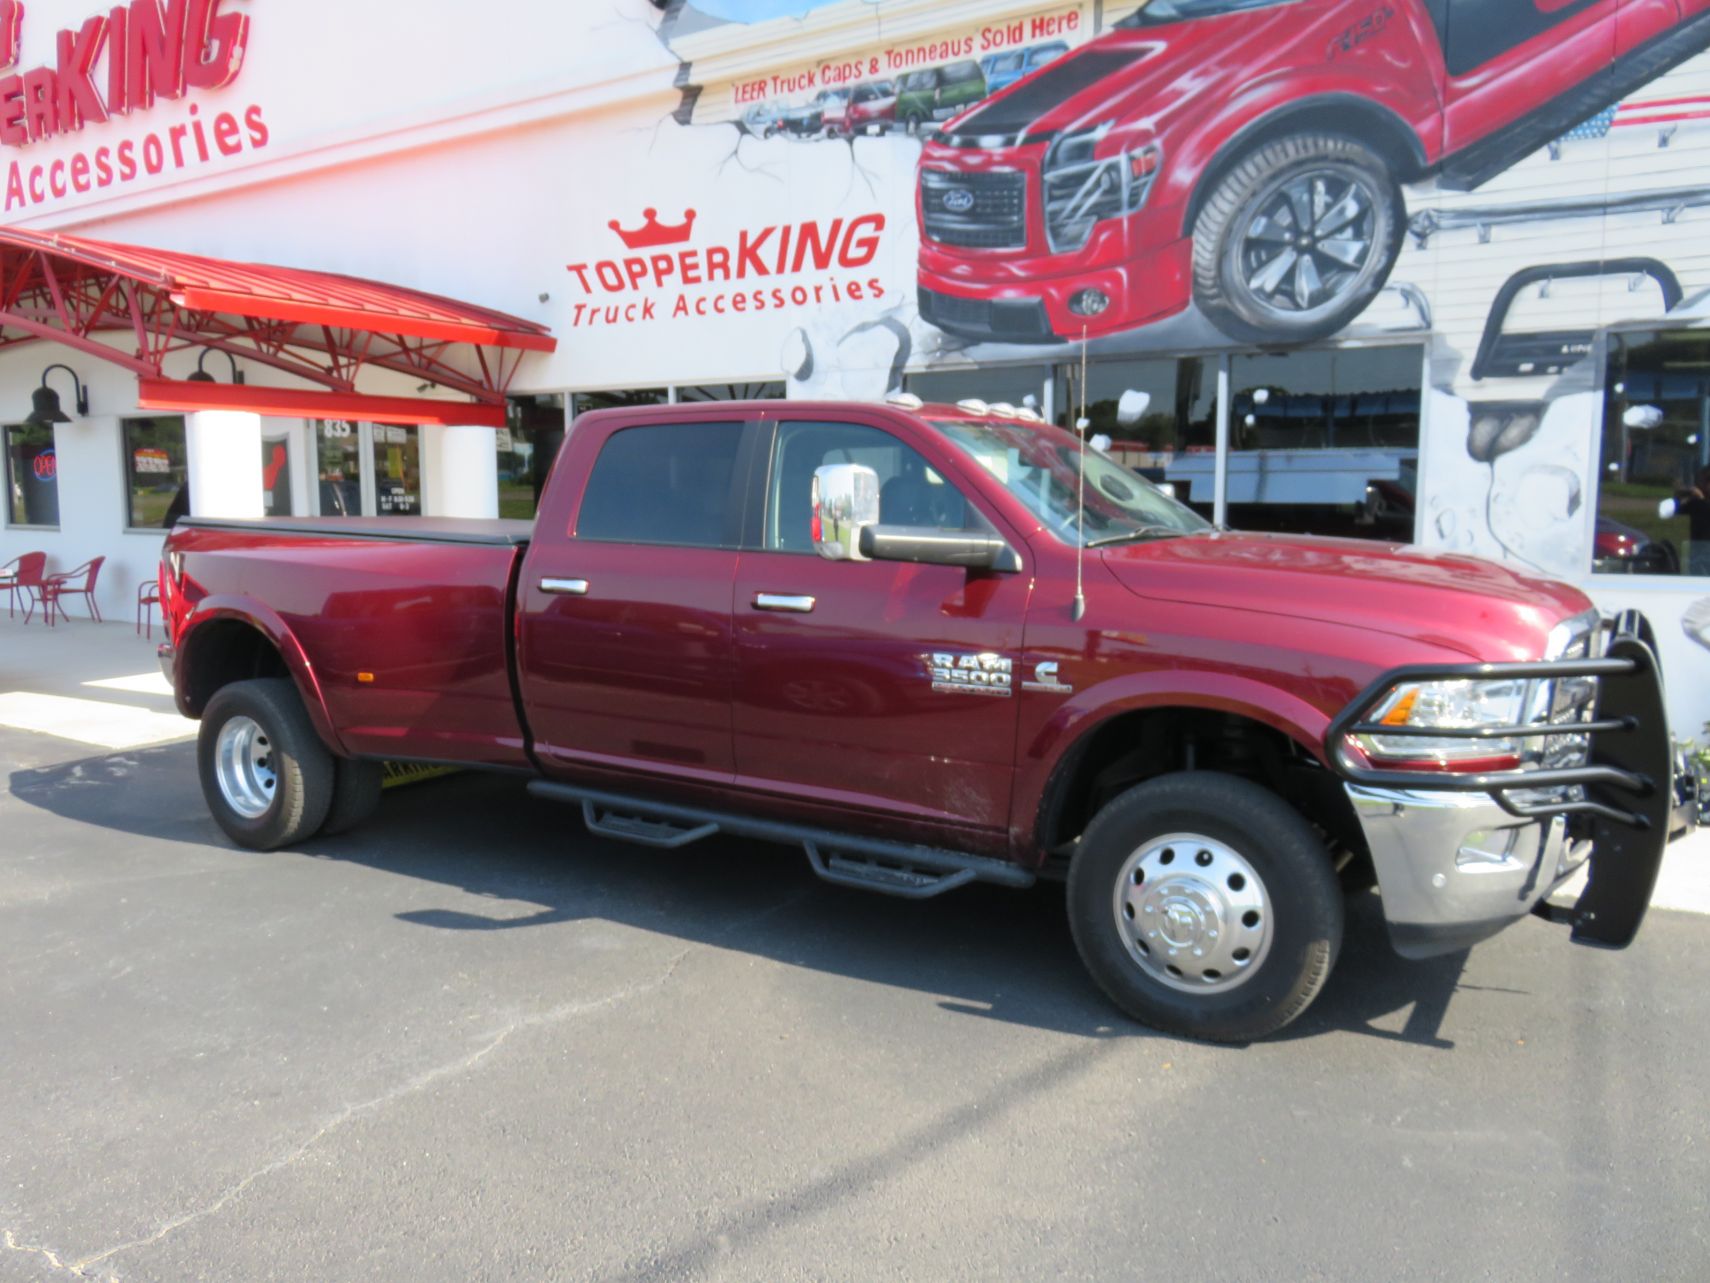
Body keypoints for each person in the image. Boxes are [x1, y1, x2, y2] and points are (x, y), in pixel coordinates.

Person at [1675, 467, 1710, 576]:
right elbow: (1678, 509)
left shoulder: (1699, 503)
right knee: (1696, 572)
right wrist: (1680, 495)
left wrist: (1699, 497)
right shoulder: (1696, 503)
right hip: (1697, 545)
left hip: (1703, 545)